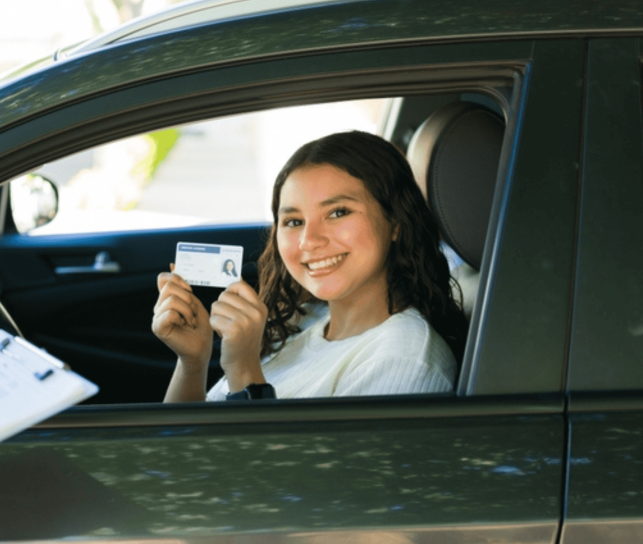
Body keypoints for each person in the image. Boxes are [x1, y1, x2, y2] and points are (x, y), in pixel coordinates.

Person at [151, 131, 468, 402]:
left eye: (338, 212)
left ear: (395, 222)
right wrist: (193, 362)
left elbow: (287, 475)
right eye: (293, 221)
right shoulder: (305, 321)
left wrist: (245, 370)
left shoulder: (404, 359)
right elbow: (180, 451)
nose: (308, 240)